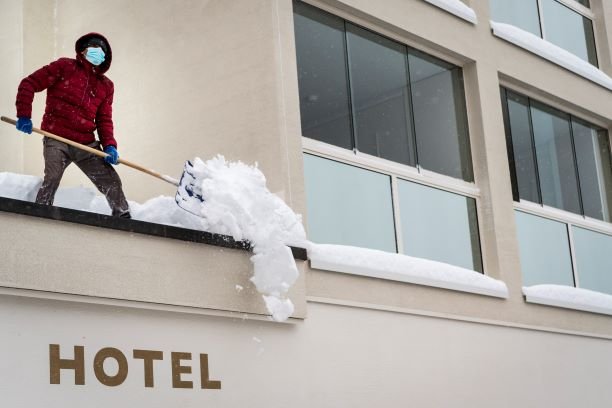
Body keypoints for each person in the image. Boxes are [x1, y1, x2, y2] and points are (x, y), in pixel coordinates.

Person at [15, 32, 130, 218]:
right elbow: (29, 83)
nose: (98, 53)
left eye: (103, 52)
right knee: (52, 177)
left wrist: (110, 146)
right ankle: (40, 214)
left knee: (112, 181)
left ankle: (123, 217)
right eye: (94, 48)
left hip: (85, 144)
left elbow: (104, 119)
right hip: (56, 139)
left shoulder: (106, 86)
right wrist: (24, 115)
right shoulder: (64, 67)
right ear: (83, 50)